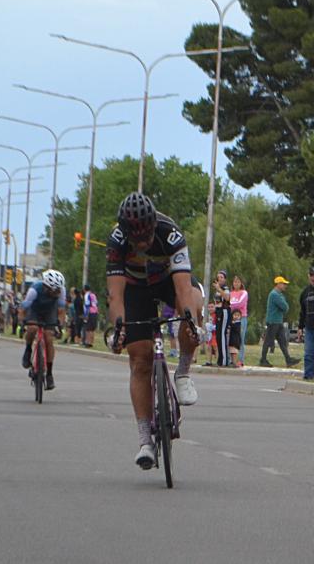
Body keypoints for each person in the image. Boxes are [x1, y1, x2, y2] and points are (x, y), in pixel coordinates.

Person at [105, 192, 203, 470]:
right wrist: (119, 330)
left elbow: (183, 289)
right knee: (139, 359)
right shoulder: (116, 242)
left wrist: (190, 322)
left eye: (146, 236)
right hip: (136, 289)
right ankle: (145, 440)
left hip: (168, 281)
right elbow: (116, 297)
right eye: (135, 239)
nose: (142, 242)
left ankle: (183, 371)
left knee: (192, 306)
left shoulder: (169, 233)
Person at [20, 269, 68, 390]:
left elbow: (61, 310)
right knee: (32, 328)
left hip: (50, 311)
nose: (57, 292)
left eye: (59, 289)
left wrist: (60, 325)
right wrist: (22, 323)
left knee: (48, 338)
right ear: (46, 287)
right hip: (34, 310)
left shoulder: (61, 290)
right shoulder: (34, 290)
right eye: (54, 290)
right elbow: (23, 308)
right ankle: (28, 349)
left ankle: (50, 374)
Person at [262, 276, 297, 367]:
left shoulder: (278, 294)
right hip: (273, 321)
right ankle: (263, 359)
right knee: (268, 341)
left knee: (282, 341)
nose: (285, 286)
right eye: (283, 284)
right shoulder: (274, 294)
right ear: (278, 284)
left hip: (278, 321)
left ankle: (288, 359)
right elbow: (285, 307)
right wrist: (284, 305)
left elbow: (285, 307)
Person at [230, 275, 249, 366]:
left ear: (241, 283)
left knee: (240, 339)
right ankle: (231, 359)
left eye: (238, 281)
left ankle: (241, 360)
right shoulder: (231, 293)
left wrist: (231, 304)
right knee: (231, 339)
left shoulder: (244, 292)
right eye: (234, 282)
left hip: (242, 318)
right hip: (231, 318)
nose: (236, 283)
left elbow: (240, 303)